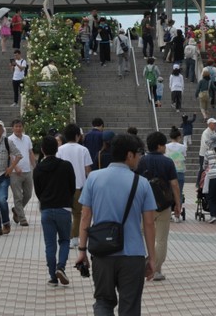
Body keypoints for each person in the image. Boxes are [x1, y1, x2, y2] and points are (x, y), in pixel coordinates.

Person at [74, 133, 157, 316]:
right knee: (130, 306)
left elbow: (85, 216)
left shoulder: (93, 178)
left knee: (103, 301)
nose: (140, 157)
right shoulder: (142, 183)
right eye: (139, 153)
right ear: (129, 155)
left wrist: (82, 250)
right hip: (133, 255)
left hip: (102, 253)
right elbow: (149, 223)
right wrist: (152, 257)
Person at [137, 131, 182, 282]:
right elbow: (174, 184)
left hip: (144, 205)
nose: (165, 148)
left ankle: (141, 266)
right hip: (163, 205)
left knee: (140, 235)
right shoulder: (168, 162)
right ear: (159, 146)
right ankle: (156, 271)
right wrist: (178, 203)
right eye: (164, 145)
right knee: (161, 239)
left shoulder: (141, 161)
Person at [34, 135, 76, 287]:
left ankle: (53, 277)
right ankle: (61, 267)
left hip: (46, 209)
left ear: (42, 150)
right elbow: (72, 186)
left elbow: (38, 191)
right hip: (63, 208)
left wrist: (45, 200)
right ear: (57, 148)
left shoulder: (38, 168)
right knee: (64, 240)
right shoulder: (66, 165)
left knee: (50, 244)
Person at [58, 123, 94, 248]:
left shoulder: (60, 149)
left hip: (63, 187)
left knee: (65, 213)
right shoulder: (83, 150)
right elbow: (88, 170)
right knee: (78, 214)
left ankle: (65, 236)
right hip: (80, 186)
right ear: (78, 136)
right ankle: (74, 238)